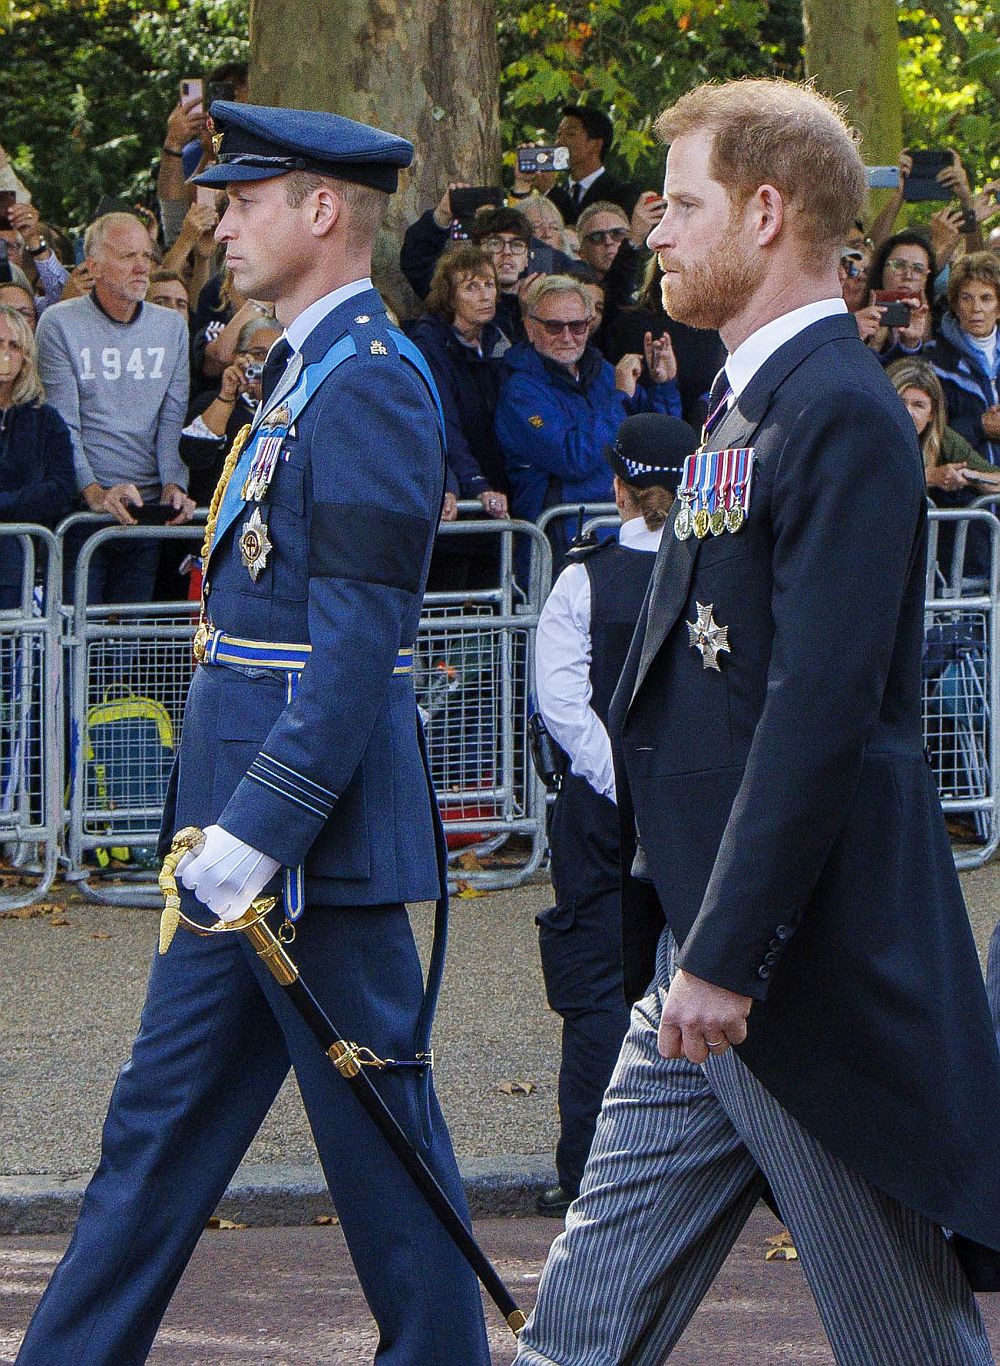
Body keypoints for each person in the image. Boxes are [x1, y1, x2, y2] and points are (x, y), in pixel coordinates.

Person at [513, 77, 1000, 1366]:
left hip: (796, 971)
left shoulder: (835, 409)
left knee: (910, 1346)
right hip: (713, 943)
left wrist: (724, 952)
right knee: (583, 1313)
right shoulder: (749, 402)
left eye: (682, 203)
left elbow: (818, 714)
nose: (655, 232)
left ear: (768, 210)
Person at [15, 101, 491, 1366]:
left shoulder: (374, 381)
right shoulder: (301, 370)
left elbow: (356, 653)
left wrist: (260, 831)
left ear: (321, 211)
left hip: (306, 843)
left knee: (383, 1149)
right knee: (157, 1127)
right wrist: (227, 832)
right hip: (235, 834)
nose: (218, 223)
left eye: (245, 200)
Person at [533, 413, 690, 1218]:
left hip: (602, 816)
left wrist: (617, 776)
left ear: (619, 486)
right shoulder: (714, 566)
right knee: (711, 979)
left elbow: (559, 700)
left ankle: (588, 1180)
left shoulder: (582, 575)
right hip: (696, 808)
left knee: (599, 992)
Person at [35, 211, 194, 605]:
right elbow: (62, 424)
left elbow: (173, 417)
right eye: (127, 256)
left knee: (129, 647)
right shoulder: (58, 324)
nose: (142, 267)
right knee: (75, 638)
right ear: (94, 266)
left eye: (146, 255)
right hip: (82, 513)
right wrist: (93, 492)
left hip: (147, 510)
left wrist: (175, 484)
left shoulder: (172, 327)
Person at [495, 274, 680, 557]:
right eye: (554, 327)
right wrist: (618, 397)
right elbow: (573, 459)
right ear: (530, 328)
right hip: (559, 546)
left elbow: (660, 444)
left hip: (622, 534)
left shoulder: (603, 371)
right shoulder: (519, 391)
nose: (567, 337)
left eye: (577, 326)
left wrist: (663, 385)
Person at [407, 244, 510, 519]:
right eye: (471, 287)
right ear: (450, 298)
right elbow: (445, 422)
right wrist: (475, 482)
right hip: (461, 486)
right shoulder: (430, 346)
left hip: (498, 477)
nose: (485, 295)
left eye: (489, 284)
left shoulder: (499, 339)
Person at [0, 303, 76, 607]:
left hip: (19, 565)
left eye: (14, 346)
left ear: (26, 357)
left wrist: (5, 503)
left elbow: (61, 490)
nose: (6, 353)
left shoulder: (45, 420)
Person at [179, 314, 282, 507]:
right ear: (239, 356)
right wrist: (228, 394)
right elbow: (194, 455)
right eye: (258, 354)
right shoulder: (212, 401)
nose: (266, 363)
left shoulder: (293, 404)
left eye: (274, 355)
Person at [925, 250, 1000, 464]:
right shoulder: (935, 360)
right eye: (967, 298)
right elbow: (930, 430)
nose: (976, 308)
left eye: (986, 298)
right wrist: (980, 426)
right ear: (956, 305)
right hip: (960, 490)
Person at [544, 105, 639, 225]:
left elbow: (584, 230)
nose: (559, 142)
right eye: (559, 135)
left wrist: (551, 191)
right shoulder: (560, 191)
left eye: (570, 134)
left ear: (596, 144)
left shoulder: (621, 193)